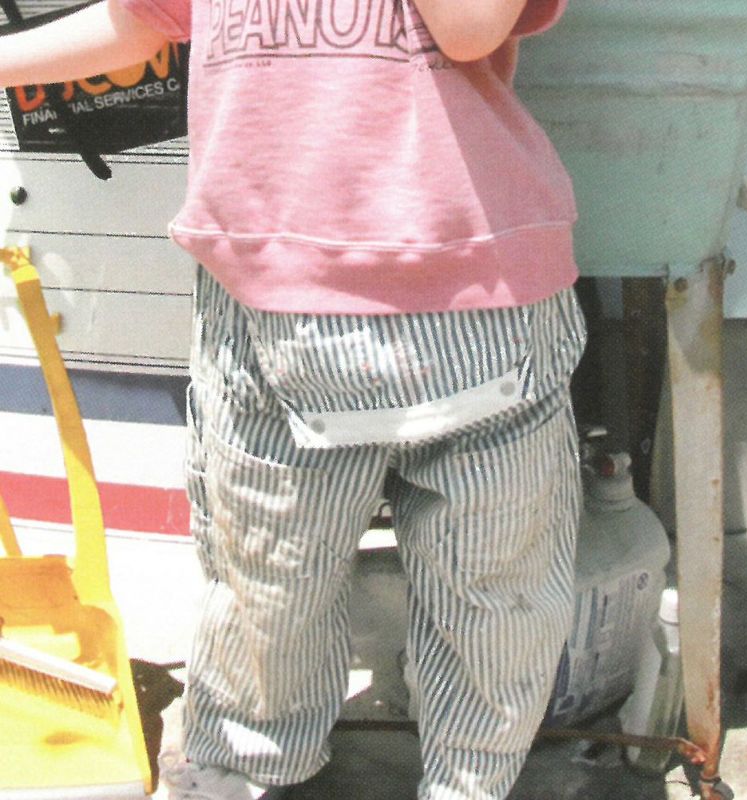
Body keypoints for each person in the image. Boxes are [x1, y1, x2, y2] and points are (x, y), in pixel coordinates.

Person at [0, 1, 586, 798]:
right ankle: (250, 766)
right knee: (266, 584)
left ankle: (469, 780)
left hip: (471, 288)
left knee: (492, 595)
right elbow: (144, 19)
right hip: (267, 299)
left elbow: (470, 25)